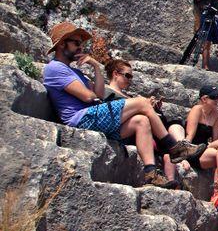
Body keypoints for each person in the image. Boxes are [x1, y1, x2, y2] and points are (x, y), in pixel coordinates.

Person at [41, 22, 203, 187]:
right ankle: (174, 147)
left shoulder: (73, 71)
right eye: (76, 42)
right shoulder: (55, 68)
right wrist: (91, 92)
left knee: (141, 121)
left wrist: (96, 66)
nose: (80, 47)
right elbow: (88, 97)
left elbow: (97, 93)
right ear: (62, 44)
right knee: (141, 103)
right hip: (81, 119)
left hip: (91, 116)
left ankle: (151, 173)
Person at [104, 59, 185, 187]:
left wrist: (153, 108)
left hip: (139, 131)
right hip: (124, 129)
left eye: (131, 77)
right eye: (127, 75)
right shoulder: (106, 91)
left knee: (173, 123)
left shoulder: (128, 97)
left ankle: (168, 176)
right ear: (115, 74)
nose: (130, 80)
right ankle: (175, 148)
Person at [180, 85, 218, 193]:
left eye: (217, 97)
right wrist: (183, 158)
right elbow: (189, 136)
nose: (217, 100)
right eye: (214, 97)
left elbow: (215, 140)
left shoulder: (216, 114)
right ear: (204, 99)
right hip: (193, 151)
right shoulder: (197, 110)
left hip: (204, 149)